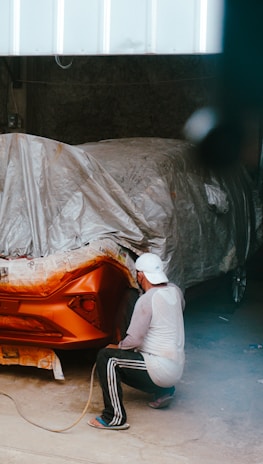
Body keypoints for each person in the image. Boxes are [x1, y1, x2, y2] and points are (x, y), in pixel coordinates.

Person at [88, 252, 185, 430]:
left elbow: (134, 339)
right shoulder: (175, 291)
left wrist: (117, 346)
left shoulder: (146, 300)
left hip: (161, 369)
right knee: (139, 353)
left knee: (107, 358)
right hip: (176, 368)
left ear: (140, 275)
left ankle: (114, 417)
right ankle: (164, 391)